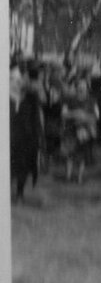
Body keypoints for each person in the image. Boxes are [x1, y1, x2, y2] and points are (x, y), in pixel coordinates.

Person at [10, 63, 42, 203]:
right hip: (9, 139)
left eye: (19, 80)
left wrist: (38, 138)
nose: (17, 83)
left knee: (22, 167)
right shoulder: (6, 98)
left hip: (25, 139)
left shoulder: (31, 98)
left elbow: (37, 120)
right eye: (13, 80)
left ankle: (19, 193)